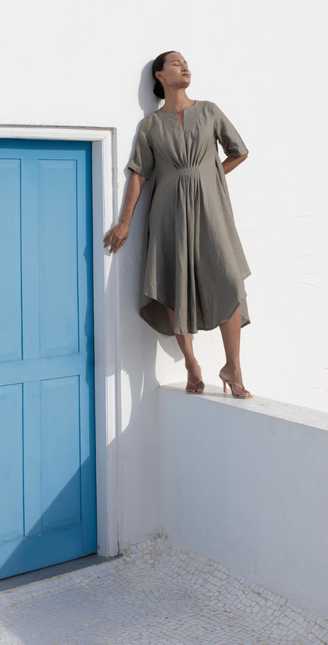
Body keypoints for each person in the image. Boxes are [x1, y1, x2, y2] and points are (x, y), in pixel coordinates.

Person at [103, 51, 252, 398]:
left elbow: (238, 151)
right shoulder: (151, 126)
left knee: (230, 278)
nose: (185, 66)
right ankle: (191, 362)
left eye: (186, 62)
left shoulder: (209, 111)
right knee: (175, 280)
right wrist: (125, 222)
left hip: (210, 209)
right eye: (176, 63)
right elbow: (139, 173)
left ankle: (233, 366)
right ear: (159, 75)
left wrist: (210, 178)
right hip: (168, 211)